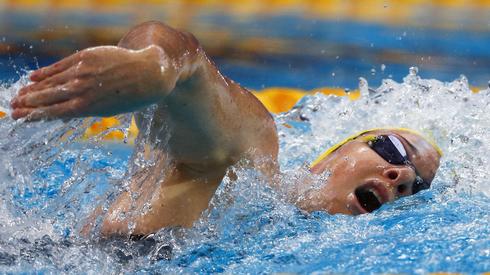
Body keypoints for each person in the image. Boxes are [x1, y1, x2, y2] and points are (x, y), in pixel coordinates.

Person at [9, 21, 441, 236]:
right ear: (336, 150)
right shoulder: (252, 160)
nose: (402, 175)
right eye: (393, 151)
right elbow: (187, 59)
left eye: (417, 187)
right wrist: (156, 66)